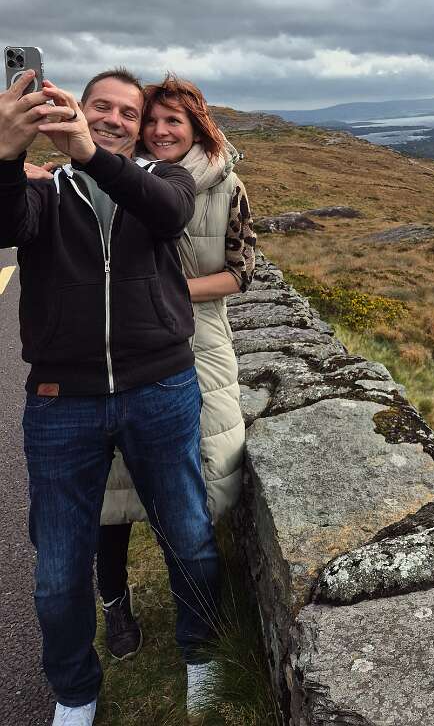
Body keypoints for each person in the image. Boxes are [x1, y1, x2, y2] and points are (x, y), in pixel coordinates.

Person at [0, 68, 221, 726]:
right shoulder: (45, 189)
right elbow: (6, 225)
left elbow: (171, 214)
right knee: (59, 567)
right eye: (101, 106)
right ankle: (74, 691)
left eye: (129, 112)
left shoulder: (162, 179)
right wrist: (8, 155)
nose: (115, 119)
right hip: (61, 399)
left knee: (188, 534)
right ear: (75, 107)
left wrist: (90, 155)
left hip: (162, 387)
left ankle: (204, 653)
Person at [95, 75, 255, 659]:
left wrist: (166, 290)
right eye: (152, 121)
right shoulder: (114, 175)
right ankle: (115, 603)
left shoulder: (227, 185)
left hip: (200, 343)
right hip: (121, 347)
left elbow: (240, 272)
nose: (160, 131)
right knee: (111, 494)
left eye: (174, 122)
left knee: (195, 482)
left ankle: (199, 621)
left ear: (196, 128)